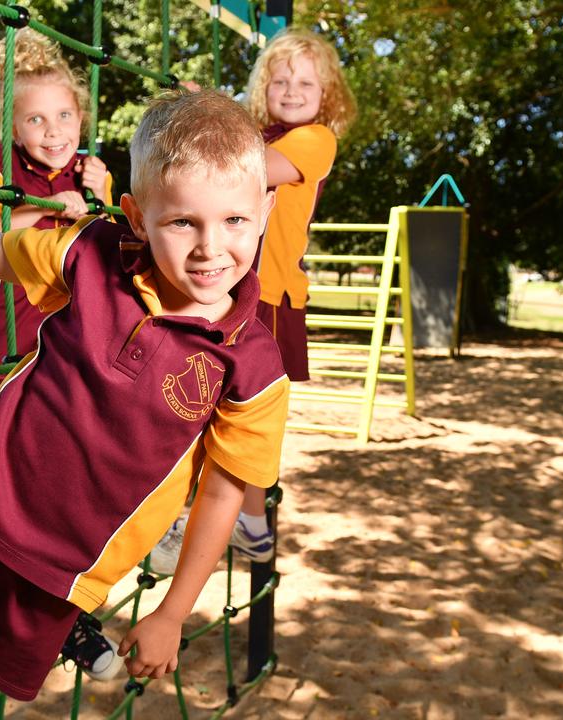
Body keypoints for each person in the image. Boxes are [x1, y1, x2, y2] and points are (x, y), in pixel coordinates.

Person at [0, 89, 290, 719]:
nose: (209, 248)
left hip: (57, 572)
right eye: (183, 222)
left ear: (265, 209)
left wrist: (173, 612)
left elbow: (227, 492)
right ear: (138, 216)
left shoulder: (253, 364)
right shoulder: (93, 253)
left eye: (233, 221)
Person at [0, 28, 118, 714]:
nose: (52, 131)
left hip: (60, 368)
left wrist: (101, 195)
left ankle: (60, 621)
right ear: (12, 125)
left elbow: (112, 253)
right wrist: (47, 211)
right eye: (35, 119)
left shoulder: (88, 172)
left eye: (64, 116)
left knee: (55, 501)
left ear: (82, 119)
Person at [149, 28, 357, 574]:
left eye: (306, 82)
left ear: (327, 96)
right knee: (195, 398)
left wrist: (209, 119)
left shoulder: (315, 139)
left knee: (238, 413)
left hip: (269, 296)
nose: (291, 90)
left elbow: (252, 167)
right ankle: (236, 522)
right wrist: (207, 112)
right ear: (264, 86)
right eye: (280, 79)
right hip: (231, 286)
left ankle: (237, 520)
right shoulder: (257, 132)